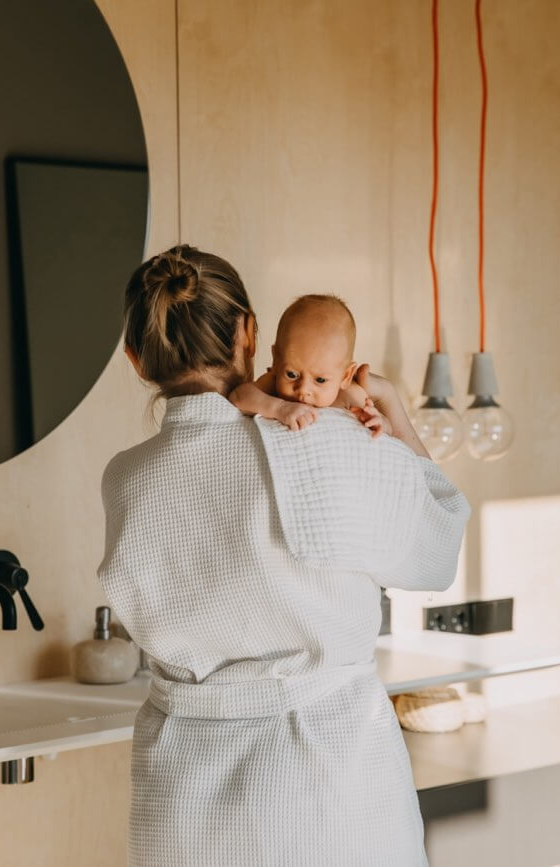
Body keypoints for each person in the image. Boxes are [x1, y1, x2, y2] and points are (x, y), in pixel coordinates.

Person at [97, 244, 470, 866]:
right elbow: (439, 546)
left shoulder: (125, 479)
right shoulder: (332, 443)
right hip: (328, 779)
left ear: (136, 359)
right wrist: (394, 409)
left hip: (183, 795)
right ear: (250, 332)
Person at [228, 293, 387, 436]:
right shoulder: (272, 384)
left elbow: (388, 431)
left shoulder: (351, 395)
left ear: (345, 376)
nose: (303, 389)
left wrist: (378, 422)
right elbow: (238, 397)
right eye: (291, 374)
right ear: (276, 360)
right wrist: (279, 408)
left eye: (320, 380)